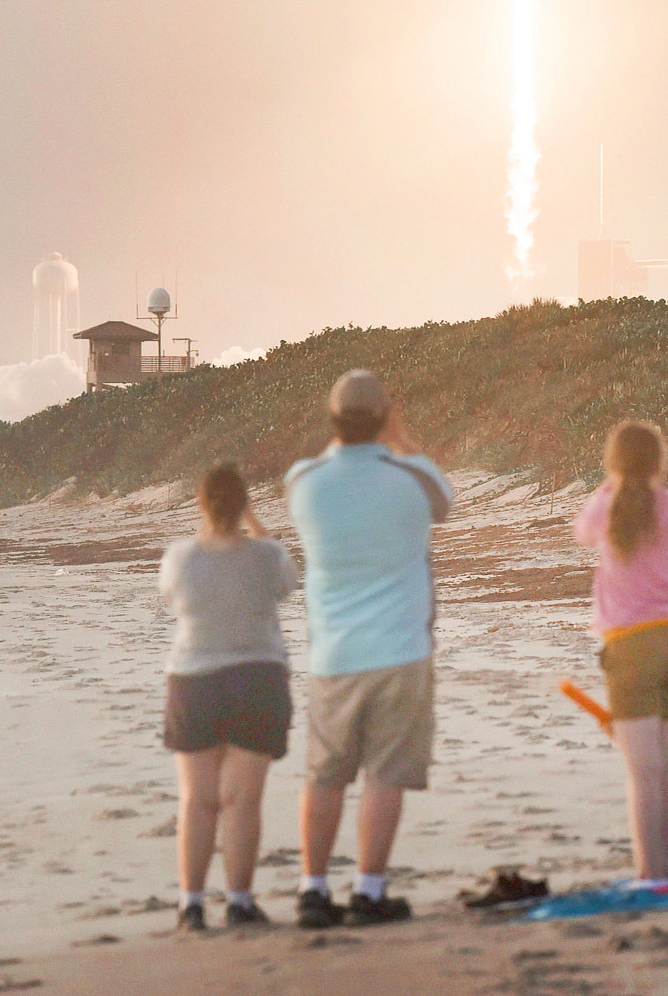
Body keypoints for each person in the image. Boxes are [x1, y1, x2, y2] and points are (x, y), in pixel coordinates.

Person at [283, 370, 453, 928]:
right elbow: (444, 501)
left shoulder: (303, 481)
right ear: (385, 418)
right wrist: (397, 437)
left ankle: (312, 889)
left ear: (332, 420)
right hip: (401, 648)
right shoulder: (413, 478)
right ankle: (369, 890)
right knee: (384, 774)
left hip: (333, 654)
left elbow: (326, 465)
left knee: (325, 774)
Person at [159, 463, 299, 930]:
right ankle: (239, 901)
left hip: (195, 681)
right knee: (242, 800)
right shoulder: (266, 556)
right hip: (256, 679)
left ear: (201, 505)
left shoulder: (182, 558)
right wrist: (255, 524)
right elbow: (287, 578)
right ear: (243, 505)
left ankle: (191, 905)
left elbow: (170, 598)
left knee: (198, 799)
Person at [572, 420, 668, 886]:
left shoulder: (606, 506)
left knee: (642, 773)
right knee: (665, 769)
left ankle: (651, 874)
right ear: (659, 462)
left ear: (613, 463)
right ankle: (664, 868)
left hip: (630, 642)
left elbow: (581, 531)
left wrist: (612, 483)